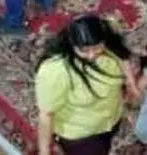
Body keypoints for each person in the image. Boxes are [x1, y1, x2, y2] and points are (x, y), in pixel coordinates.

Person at [35, 15, 138, 155]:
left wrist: (131, 83)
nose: (92, 55)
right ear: (72, 44)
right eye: (84, 50)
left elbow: (121, 55)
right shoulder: (55, 70)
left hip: (111, 118)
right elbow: (46, 114)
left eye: (97, 48)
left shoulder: (108, 41)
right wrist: (44, 151)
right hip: (82, 135)